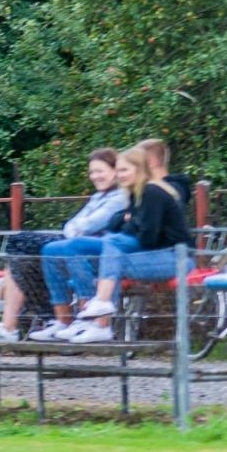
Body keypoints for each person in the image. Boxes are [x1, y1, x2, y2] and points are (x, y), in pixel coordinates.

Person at [0, 149, 126, 344]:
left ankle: (1, 297)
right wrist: (76, 228)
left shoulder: (120, 197)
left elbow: (89, 224)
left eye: (100, 171)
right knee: (20, 251)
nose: (95, 177)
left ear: (115, 171)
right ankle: (10, 319)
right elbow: (74, 224)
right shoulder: (99, 197)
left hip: (94, 252)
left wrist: (76, 229)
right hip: (74, 243)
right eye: (92, 172)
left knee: (23, 242)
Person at [61, 146, 193, 342]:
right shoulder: (134, 193)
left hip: (176, 257)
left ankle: (102, 307)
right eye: (118, 170)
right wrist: (129, 221)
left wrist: (129, 222)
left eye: (124, 170)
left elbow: (148, 238)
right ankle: (100, 324)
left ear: (139, 170)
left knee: (113, 248)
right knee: (109, 254)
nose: (119, 175)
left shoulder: (152, 192)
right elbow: (118, 225)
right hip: (155, 254)